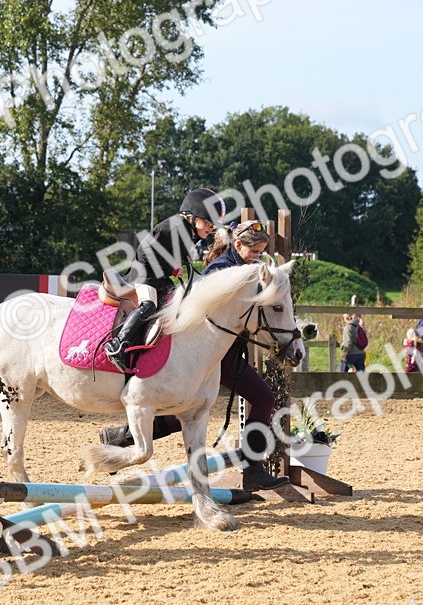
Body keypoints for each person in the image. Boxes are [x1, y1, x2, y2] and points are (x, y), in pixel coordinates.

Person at [98, 219, 290, 491]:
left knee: (198, 410)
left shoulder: (248, 273)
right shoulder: (222, 271)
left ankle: (121, 436)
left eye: (261, 253)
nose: (258, 258)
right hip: (213, 356)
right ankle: (252, 468)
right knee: (247, 401)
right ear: (237, 245)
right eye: (254, 252)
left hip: (227, 355)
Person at [102, 188, 221, 372]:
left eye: (212, 226)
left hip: (158, 277)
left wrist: (177, 263)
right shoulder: (172, 228)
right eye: (207, 223)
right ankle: (118, 345)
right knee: (148, 305)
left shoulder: (187, 232)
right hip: (145, 275)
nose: (210, 228)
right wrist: (172, 267)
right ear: (192, 215)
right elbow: (146, 253)